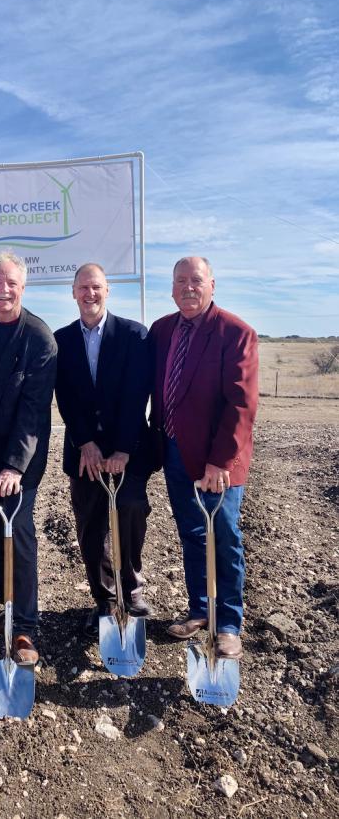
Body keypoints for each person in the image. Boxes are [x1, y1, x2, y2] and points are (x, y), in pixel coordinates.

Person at [149, 256, 258, 659]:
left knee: (223, 536)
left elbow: (241, 404)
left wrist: (220, 462)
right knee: (192, 532)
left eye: (196, 280)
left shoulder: (235, 332)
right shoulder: (162, 330)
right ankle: (200, 608)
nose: (188, 288)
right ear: (172, 287)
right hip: (175, 450)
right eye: (180, 281)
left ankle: (228, 622)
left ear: (212, 284)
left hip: (219, 461)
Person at [0, 252, 57, 665]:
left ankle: (25, 628)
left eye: (12, 283)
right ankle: (7, 606)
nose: (4, 290)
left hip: (19, 462)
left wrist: (15, 466)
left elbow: (34, 411)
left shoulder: (39, 337)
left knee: (17, 537)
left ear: (24, 287)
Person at [55, 263, 153, 637]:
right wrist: (85, 442)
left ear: (107, 291)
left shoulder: (133, 335)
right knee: (91, 525)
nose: (89, 294)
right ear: (74, 292)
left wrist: (123, 450)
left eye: (96, 287)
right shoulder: (61, 340)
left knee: (129, 508)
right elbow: (64, 396)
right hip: (84, 453)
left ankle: (132, 587)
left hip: (126, 448)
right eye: (83, 288)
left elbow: (137, 395)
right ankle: (105, 598)